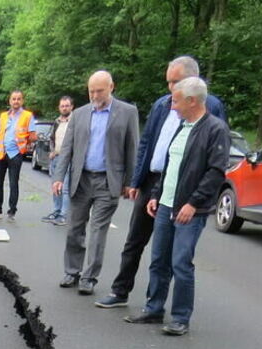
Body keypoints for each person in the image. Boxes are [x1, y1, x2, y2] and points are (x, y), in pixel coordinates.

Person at [95, 56, 227, 308]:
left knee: (175, 256)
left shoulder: (210, 108)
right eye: (168, 82)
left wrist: (197, 199)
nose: (170, 89)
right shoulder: (162, 105)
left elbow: (214, 157)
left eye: (176, 82)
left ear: (193, 82)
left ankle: (169, 308)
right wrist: (136, 180)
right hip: (155, 182)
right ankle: (121, 291)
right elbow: (148, 142)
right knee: (136, 241)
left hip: (186, 186)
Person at [123, 77, 228, 336]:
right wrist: (156, 195)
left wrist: (193, 203)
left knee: (181, 262)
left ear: (192, 101)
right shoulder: (181, 126)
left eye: (177, 101)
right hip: (165, 205)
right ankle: (154, 308)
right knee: (159, 260)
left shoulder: (215, 129)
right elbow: (170, 166)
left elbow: (215, 172)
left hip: (190, 211)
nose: (173, 105)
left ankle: (181, 317)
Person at [53, 70, 139, 296]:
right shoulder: (79, 114)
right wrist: (58, 177)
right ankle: (72, 271)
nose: (94, 95)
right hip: (81, 179)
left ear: (111, 87)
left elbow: (132, 149)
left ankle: (89, 277)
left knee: (98, 231)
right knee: (74, 228)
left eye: (99, 90)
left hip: (107, 180)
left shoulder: (127, 112)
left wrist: (131, 182)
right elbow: (67, 149)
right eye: (91, 91)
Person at [0, 90, 37, 222]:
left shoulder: (27, 116)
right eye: (13, 99)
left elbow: (32, 135)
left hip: (15, 154)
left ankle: (12, 211)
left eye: (18, 99)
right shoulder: (3, 116)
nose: (16, 101)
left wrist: (25, 145)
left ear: (22, 101)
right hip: (1, 153)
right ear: (10, 101)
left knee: (13, 183)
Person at [41, 96, 74, 226]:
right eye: (62, 106)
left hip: (68, 158)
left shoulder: (74, 121)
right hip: (56, 158)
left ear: (72, 107)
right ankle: (56, 211)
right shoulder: (57, 121)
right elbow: (52, 138)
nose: (64, 108)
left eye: (67, 105)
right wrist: (52, 151)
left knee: (65, 188)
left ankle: (64, 215)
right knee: (55, 187)